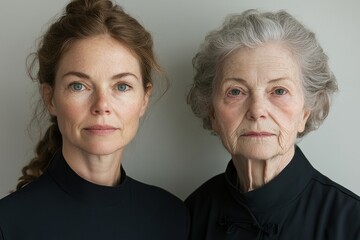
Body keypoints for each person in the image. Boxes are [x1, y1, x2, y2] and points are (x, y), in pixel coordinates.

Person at [0, 0, 188, 239]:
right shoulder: (7, 223)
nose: (102, 105)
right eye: (79, 86)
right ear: (50, 98)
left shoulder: (172, 216)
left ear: (144, 99)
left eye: (122, 86)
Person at [185, 9, 360, 239]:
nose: (257, 111)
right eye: (236, 91)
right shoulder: (191, 214)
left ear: (306, 112)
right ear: (213, 113)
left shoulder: (351, 222)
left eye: (279, 91)